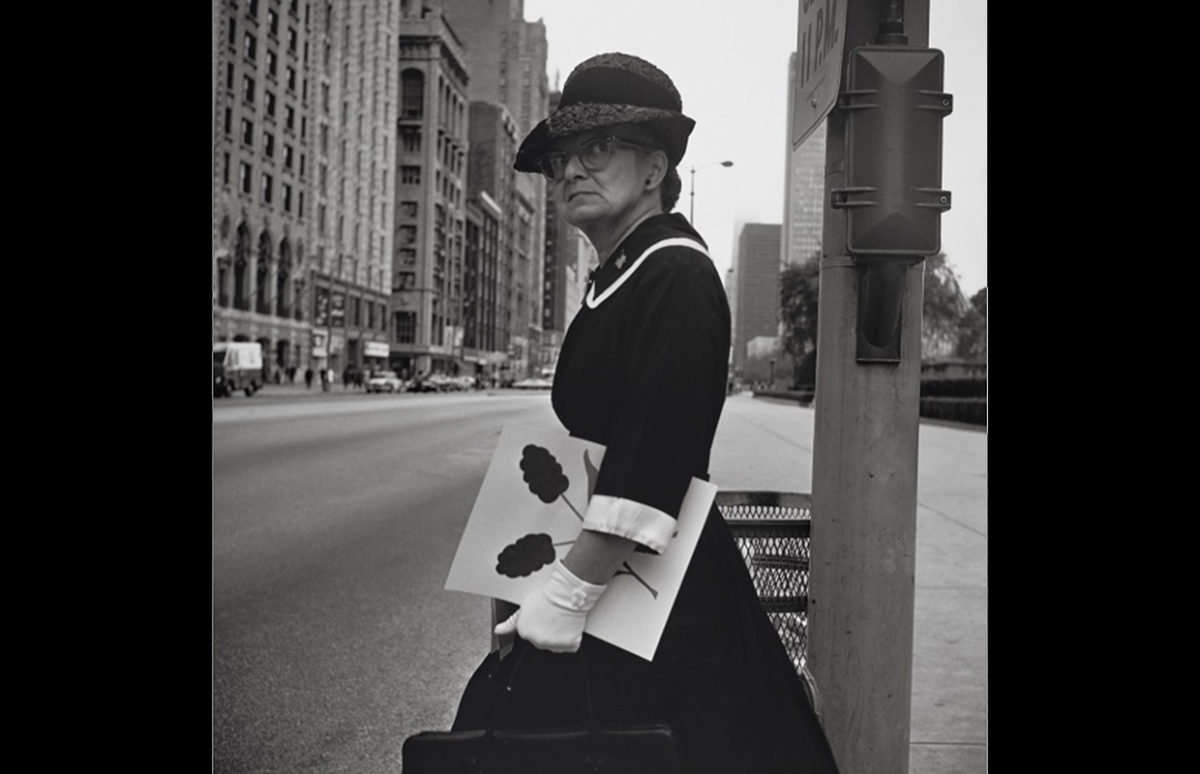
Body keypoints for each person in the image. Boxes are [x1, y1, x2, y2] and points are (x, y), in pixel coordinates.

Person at [451, 53, 838, 773]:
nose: (570, 169)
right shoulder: (623, 274)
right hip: (617, 579)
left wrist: (566, 593)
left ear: (657, 169)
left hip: (657, 592)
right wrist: (525, 586)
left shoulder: (678, 274)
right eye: (563, 156)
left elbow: (656, 454)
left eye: (597, 148)